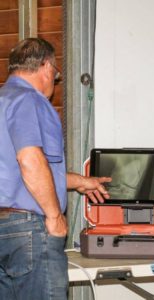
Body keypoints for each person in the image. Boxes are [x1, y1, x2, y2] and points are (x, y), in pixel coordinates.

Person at [0, 38, 111, 299]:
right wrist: (53, 215)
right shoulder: (30, 99)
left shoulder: (3, 99)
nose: (55, 80)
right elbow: (30, 160)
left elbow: (15, 173)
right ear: (46, 66)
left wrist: (80, 182)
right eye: (56, 73)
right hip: (27, 231)